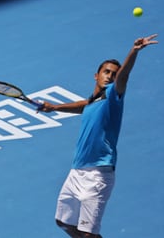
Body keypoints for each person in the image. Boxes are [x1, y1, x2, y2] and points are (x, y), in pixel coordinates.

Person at [39, 34, 159, 238]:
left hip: (98, 176)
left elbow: (124, 77)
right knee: (63, 222)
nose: (110, 76)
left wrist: (134, 51)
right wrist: (55, 107)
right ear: (96, 75)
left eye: (113, 73)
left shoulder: (113, 94)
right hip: (76, 172)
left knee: (88, 234)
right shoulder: (94, 101)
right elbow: (84, 107)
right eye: (106, 72)